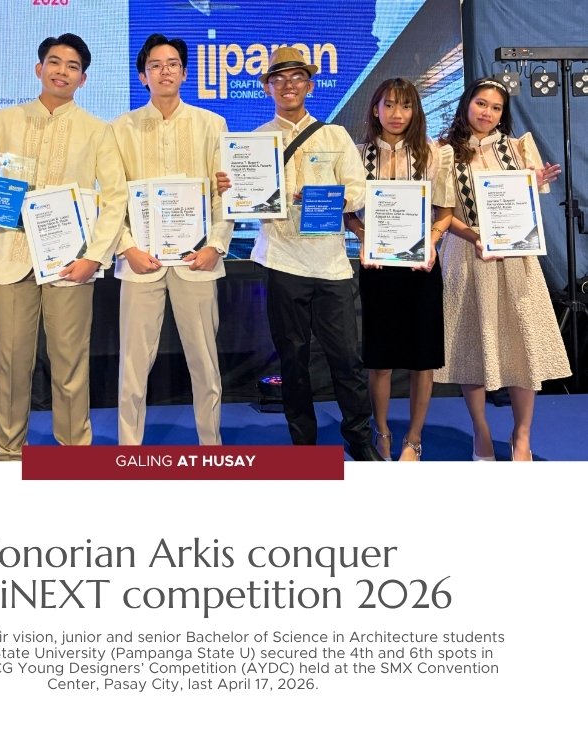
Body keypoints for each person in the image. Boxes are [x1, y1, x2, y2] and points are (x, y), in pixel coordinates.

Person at [0, 34, 127, 460]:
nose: (61, 71)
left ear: (83, 79)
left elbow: (116, 198)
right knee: (12, 363)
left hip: (69, 262)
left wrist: (94, 257)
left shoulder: (97, 130)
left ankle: (74, 453)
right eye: (54, 62)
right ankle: (10, 451)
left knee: (70, 363)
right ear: (39, 68)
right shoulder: (7, 120)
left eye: (72, 66)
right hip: (11, 258)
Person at [218, 48, 381, 460]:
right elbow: (242, 201)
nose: (288, 86)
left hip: (331, 264)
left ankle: (361, 441)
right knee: (292, 360)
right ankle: (303, 447)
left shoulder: (334, 136)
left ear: (309, 85)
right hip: (281, 260)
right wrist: (230, 190)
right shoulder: (253, 142)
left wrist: (320, 196)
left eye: (296, 78)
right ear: (267, 88)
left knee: (346, 359)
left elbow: (359, 191)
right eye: (279, 79)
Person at [434, 77, 570, 461]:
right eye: (481, 103)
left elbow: (525, 212)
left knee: (523, 346)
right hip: (467, 256)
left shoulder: (517, 148)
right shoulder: (442, 152)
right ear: (466, 104)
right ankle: (481, 433)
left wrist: (532, 184)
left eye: (496, 107)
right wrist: (474, 236)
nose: (487, 113)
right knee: (472, 348)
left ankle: (521, 436)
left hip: (515, 260)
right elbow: (442, 213)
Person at [111, 33, 233, 446]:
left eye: (172, 64)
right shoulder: (120, 129)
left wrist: (215, 245)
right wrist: (127, 247)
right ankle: (129, 449)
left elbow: (224, 193)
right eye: (155, 65)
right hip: (139, 262)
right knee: (133, 366)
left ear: (184, 73)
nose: (165, 71)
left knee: (205, 363)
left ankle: (211, 446)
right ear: (143, 76)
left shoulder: (211, 124)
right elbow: (112, 197)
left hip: (197, 260)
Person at [344, 78, 454, 461]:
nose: (396, 114)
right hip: (377, 266)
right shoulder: (358, 154)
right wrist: (364, 235)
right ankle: (383, 432)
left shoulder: (434, 154)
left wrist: (432, 241)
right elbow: (348, 213)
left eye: (405, 106)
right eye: (388, 105)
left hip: (421, 267)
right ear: (375, 110)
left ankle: (414, 438)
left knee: (423, 358)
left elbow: (444, 211)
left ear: (415, 111)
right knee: (380, 359)